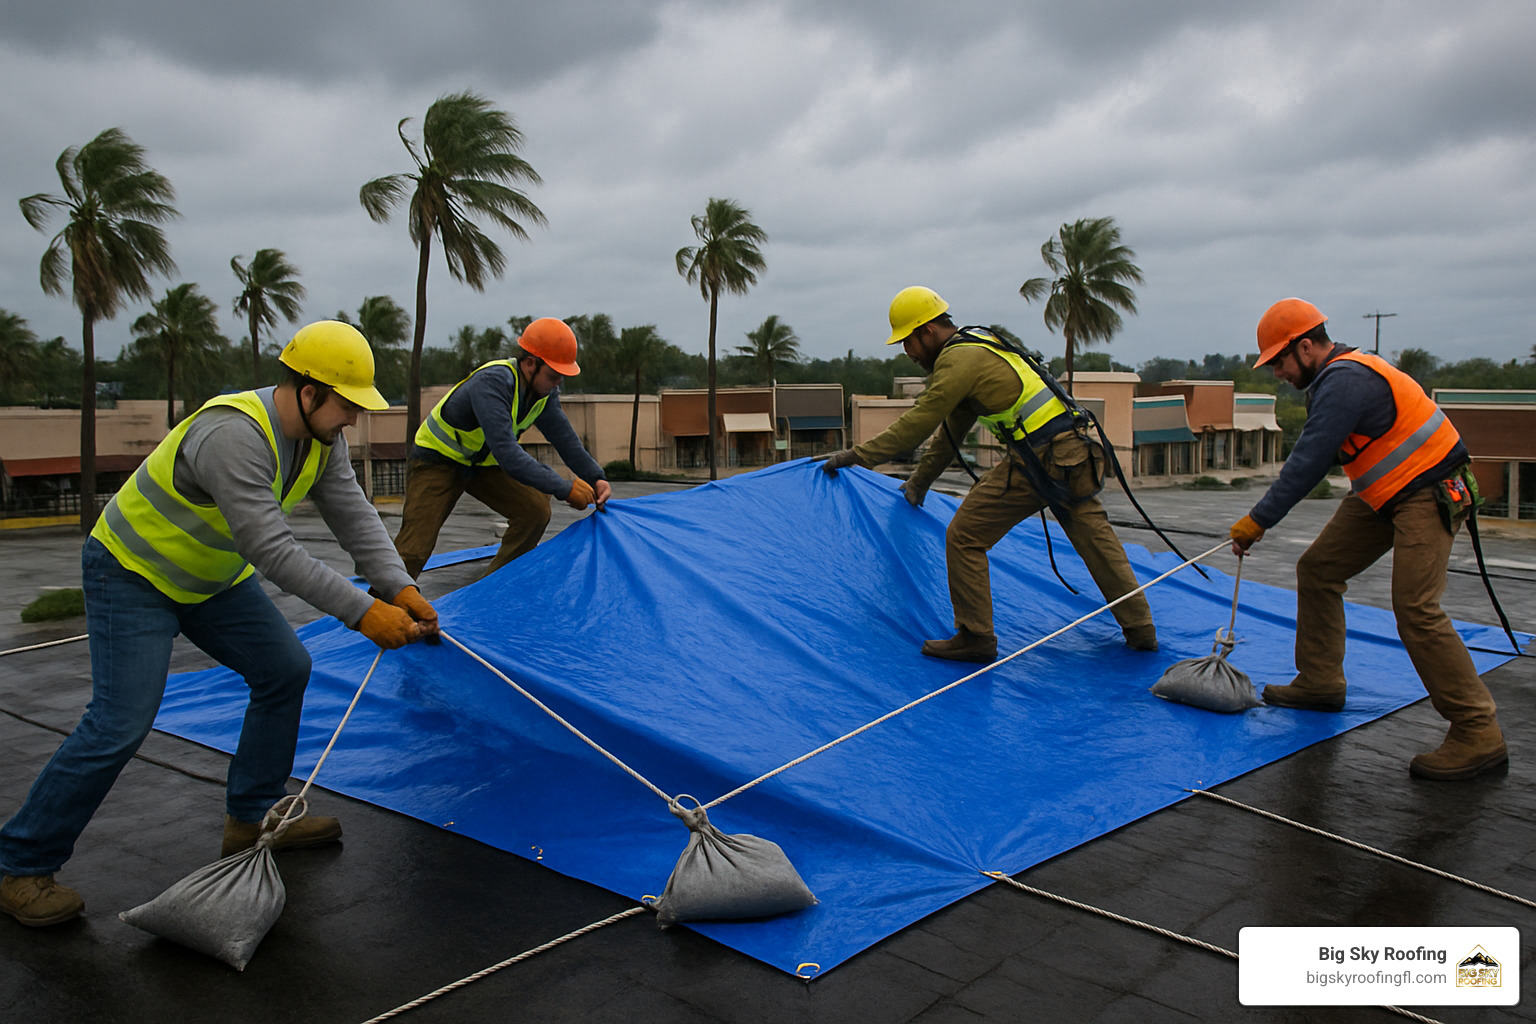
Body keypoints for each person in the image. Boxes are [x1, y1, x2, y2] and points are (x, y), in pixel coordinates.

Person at [0, 320, 439, 928]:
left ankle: (251, 816)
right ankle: (21, 865)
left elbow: (355, 516)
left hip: (210, 581)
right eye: (345, 405)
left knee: (285, 668)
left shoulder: (321, 441)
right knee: (119, 722)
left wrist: (401, 587)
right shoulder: (233, 435)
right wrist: (365, 612)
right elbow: (274, 550)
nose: (352, 420)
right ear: (308, 392)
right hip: (132, 575)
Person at [1229, 298, 1506, 781]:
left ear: (1307, 346)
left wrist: (1258, 520)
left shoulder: (1345, 380)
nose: (1276, 373)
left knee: (1417, 609)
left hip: (1429, 491)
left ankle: (1477, 731)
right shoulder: (1330, 382)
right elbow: (1344, 448)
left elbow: (1309, 460)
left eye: (1278, 361)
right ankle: (1320, 681)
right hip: (1384, 494)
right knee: (1318, 570)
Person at [822, 286, 1157, 663]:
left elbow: (919, 423)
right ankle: (1141, 629)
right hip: (1075, 452)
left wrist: (856, 455)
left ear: (928, 331)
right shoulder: (981, 344)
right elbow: (951, 432)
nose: (908, 354)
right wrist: (918, 484)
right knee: (1097, 542)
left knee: (965, 536)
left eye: (908, 343)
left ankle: (976, 637)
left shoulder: (957, 361)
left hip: (1040, 458)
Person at [392, 317, 612, 579]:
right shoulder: (493, 383)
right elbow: (508, 454)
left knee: (534, 511)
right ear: (531, 363)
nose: (557, 384)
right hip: (438, 461)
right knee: (414, 549)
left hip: (482, 465)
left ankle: (496, 588)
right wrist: (565, 488)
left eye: (562, 378)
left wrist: (595, 476)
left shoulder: (544, 394)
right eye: (553, 376)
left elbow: (564, 438)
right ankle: (385, 607)